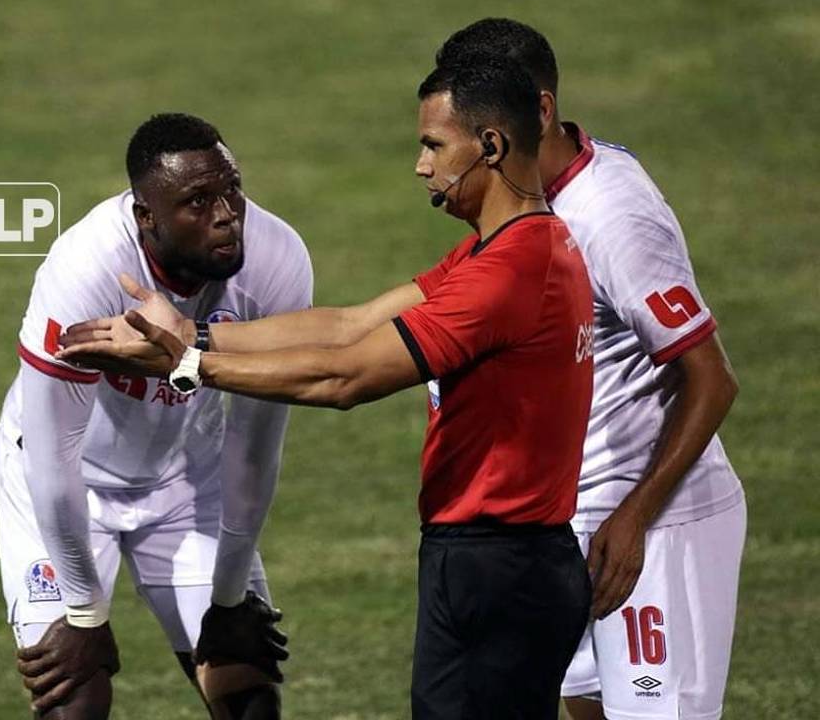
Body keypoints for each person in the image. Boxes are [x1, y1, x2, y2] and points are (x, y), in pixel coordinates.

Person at [58, 55, 596, 718]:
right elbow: (349, 325)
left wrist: (189, 366)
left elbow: (348, 376)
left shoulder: (506, 273)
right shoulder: (512, 249)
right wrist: (192, 334)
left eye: (432, 145)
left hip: (499, 563)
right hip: (506, 559)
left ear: (489, 145)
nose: (421, 166)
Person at [435, 18, 745, 720]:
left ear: (539, 110)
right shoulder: (520, 206)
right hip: (571, 529)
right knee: (586, 708)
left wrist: (636, 515)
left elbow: (711, 375)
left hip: (656, 532)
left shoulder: (610, 214)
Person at [0, 113, 311, 719]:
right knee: (73, 698)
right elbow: (53, 453)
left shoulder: (276, 261)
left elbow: (254, 443)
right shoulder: (83, 269)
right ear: (147, 218)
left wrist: (229, 594)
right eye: (196, 201)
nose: (225, 214)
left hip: (186, 481)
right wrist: (84, 613)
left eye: (231, 189)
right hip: (63, 487)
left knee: (249, 696)